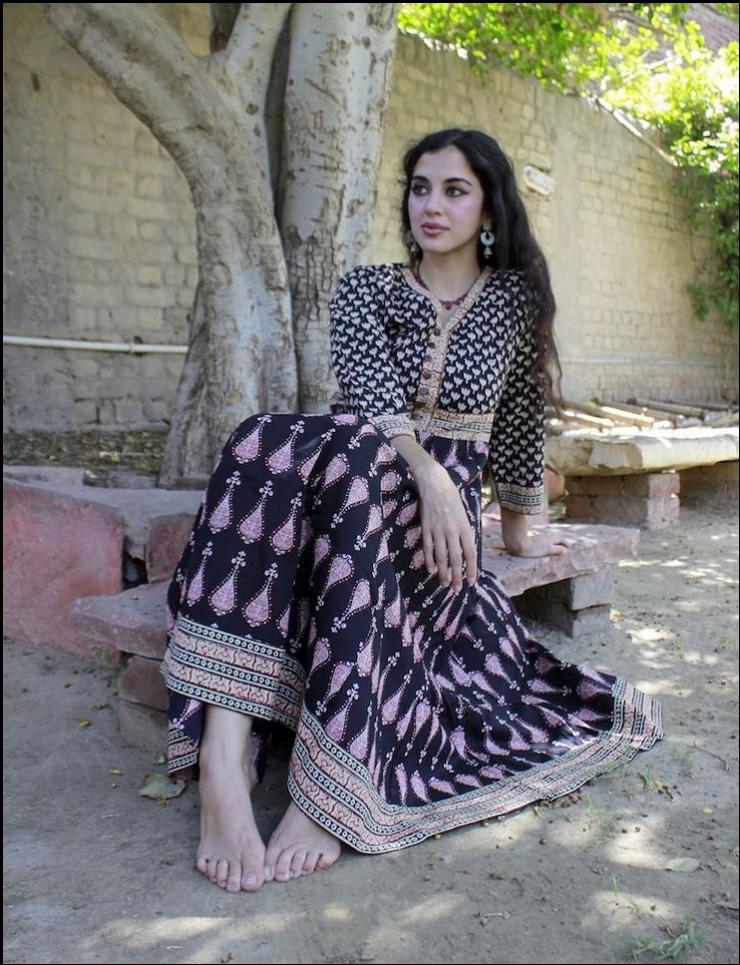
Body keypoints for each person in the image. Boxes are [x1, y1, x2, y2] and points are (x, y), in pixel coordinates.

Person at [159, 127, 664, 894]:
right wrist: (424, 469)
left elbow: (522, 426)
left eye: (454, 190)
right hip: (352, 475)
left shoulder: (515, 304)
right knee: (272, 436)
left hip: (435, 531)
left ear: (489, 206)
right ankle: (222, 761)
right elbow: (367, 397)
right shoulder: (365, 288)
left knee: (342, 456)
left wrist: (523, 524)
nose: (432, 204)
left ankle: (333, 783)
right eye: (420, 187)